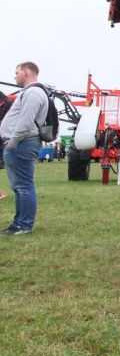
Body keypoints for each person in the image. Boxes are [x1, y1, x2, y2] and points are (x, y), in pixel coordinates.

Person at [0, 62, 49, 235]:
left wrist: (12, 143)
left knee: (23, 186)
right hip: (21, 143)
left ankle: (24, 225)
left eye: (17, 72)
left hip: (21, 143)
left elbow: (26, 122)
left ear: (26, 73)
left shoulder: (33, 92)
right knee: (19, 186)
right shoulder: (31, 92)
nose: (14, 76)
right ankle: (19, 223)